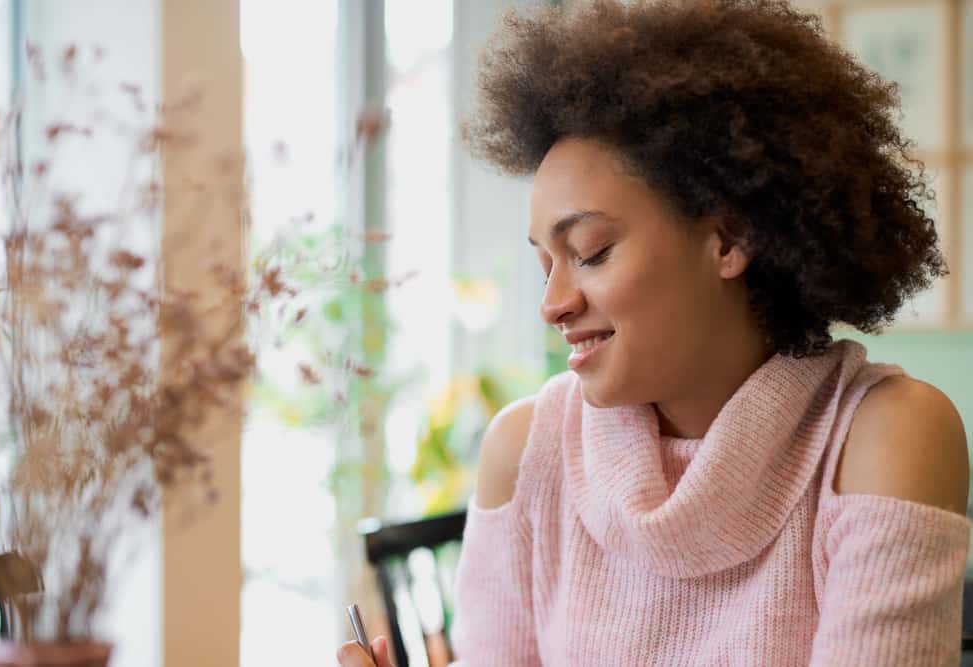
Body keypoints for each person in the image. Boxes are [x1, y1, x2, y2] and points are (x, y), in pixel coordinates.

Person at [338, 0, 971, 664]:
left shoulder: (880, 438)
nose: (552, 303)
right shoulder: (527, 450)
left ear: (729, 238)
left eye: (589, 251)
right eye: (544, 263)